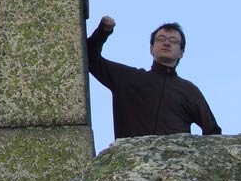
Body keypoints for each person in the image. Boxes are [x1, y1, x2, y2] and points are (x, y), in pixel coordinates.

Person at [87, 15, 221, 139]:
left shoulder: (189, 90)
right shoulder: (128, 78)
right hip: (131, 155)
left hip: (173, 157)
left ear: (181, 53)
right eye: (161, 39)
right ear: (151, 49)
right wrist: (102, 31)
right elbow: (89, 58)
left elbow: (213, 132)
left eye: (173, 41)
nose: (166, 43)